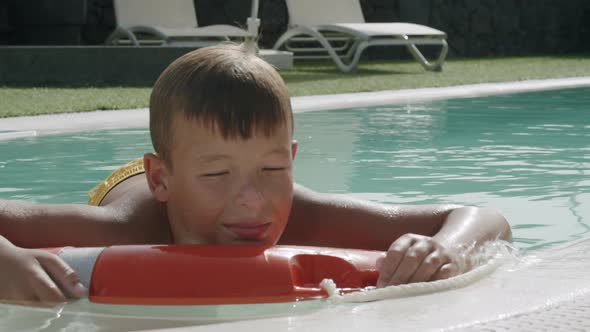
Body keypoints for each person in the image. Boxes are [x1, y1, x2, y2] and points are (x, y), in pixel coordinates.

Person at [0, 44, 511, 303]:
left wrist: (448, 248)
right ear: (163, 179)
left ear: (290, 157)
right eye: (218, 175)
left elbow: (481, 216)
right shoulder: (128, 228)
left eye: (273, 168)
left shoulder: (301, 213)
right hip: (130, 184)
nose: (252, 201)